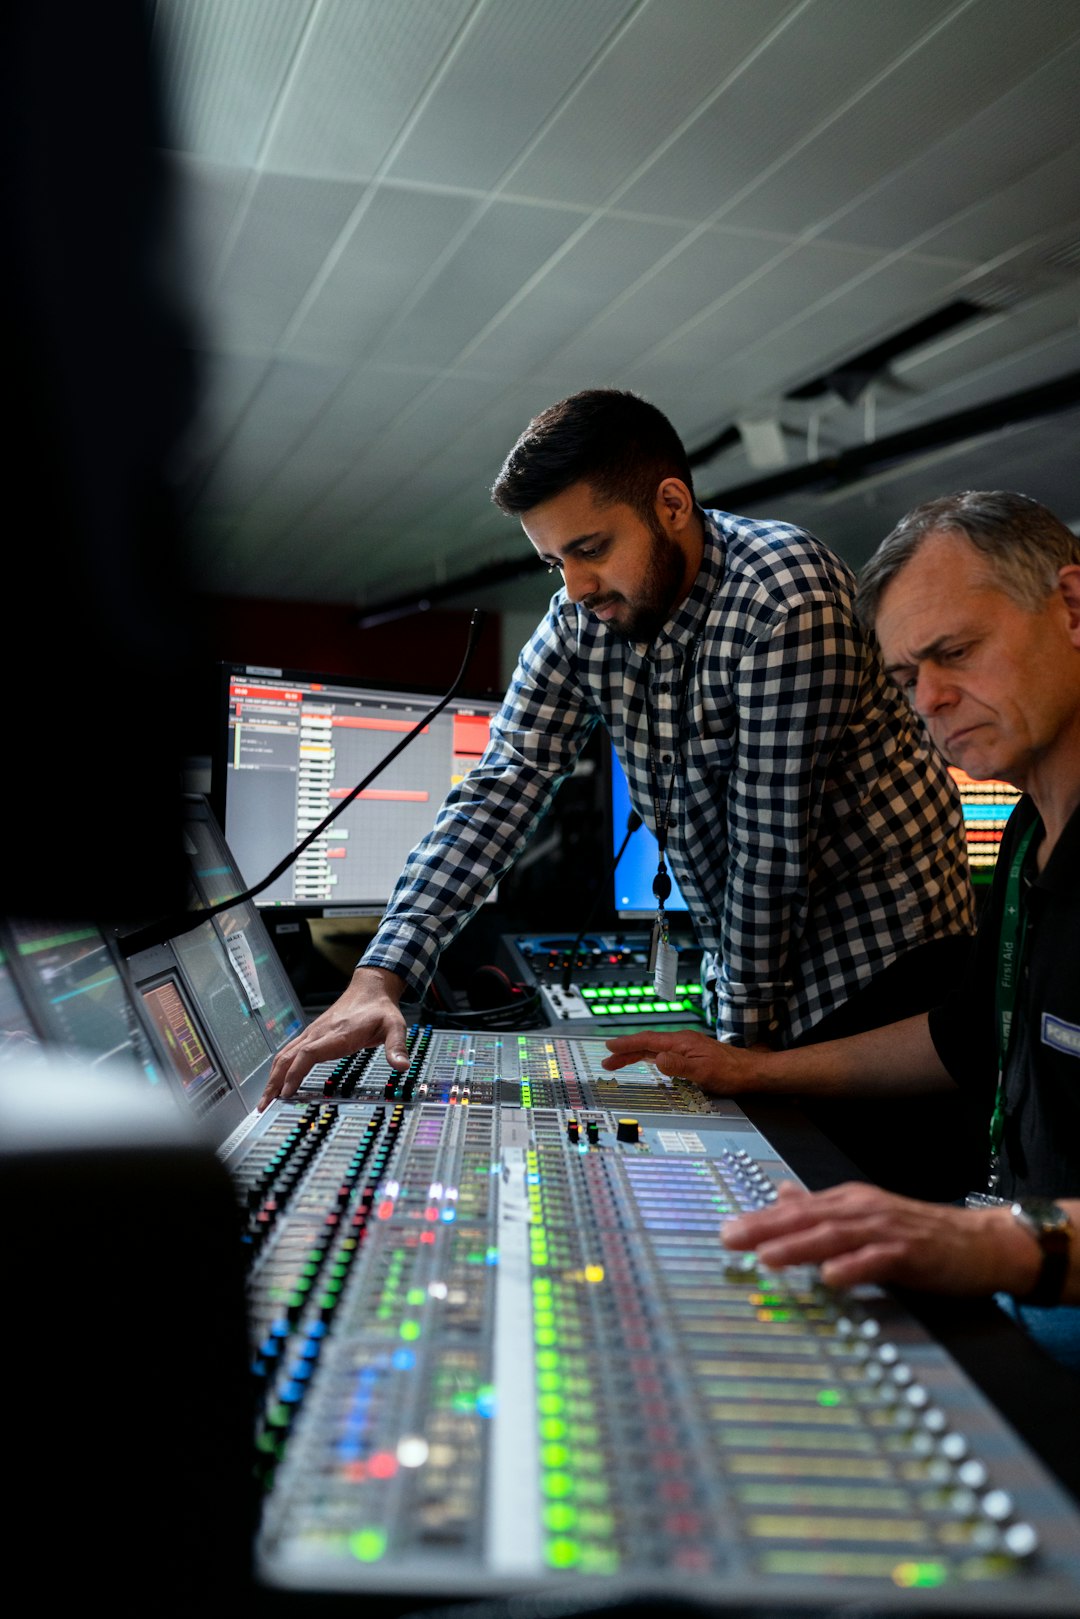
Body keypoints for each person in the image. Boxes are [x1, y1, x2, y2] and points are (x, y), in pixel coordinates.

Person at [261, 391, 974, 1165]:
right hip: (770, 964)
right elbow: (501, 786)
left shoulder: (783, 599)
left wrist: (736, 1065)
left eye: (591, 548)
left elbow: (770, 859)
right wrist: (382, 973)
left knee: (872, 1234)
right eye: (553, 560)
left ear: (671, 504)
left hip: (890, 972)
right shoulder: (581, 622)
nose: (573, 587)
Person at [602, 489, 1080, 1366]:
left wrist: (996, 1242)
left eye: (955, 652)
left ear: (1074, 607)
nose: (928, 700)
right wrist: (757, 1068)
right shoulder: (1028, 835)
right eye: (905, 679)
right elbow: (961, 1034)